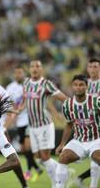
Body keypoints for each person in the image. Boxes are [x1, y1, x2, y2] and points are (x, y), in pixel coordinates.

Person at [22, 60, 68, 188]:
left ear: (42, 69)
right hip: (32, 126)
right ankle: (62, 170)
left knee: (45, 156)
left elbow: (63, 97)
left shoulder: (46, 84)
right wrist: (16, 110)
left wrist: (71, 108)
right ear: (29, 69)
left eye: (37, 66)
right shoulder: (26, 83)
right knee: (38, 158)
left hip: (44, 125)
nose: (34, 68)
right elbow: (27, 101)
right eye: (32, 66)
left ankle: (57, 183)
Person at [55, 74, 100, 188]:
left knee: (97, 157)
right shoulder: (67, 105)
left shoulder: (96, 102)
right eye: (76, 85)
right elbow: (69, 125)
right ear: (72, 87)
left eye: (81, 85)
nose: (78, 87)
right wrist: (62, 144)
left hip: (96, 139)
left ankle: (93, 185)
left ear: (86, 86)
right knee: (63, 157)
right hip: (79, 140)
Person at [6, 66, 42, 182]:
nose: (18, 75)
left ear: (24, 74)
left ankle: (29, 170)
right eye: (16, 73)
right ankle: (36, 168)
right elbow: (9, 103)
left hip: (30, 119)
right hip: (19, 120)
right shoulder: (10, 87)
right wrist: (12, 116)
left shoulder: (30, 84)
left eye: (20, 73)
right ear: (14, 74)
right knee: (23, 149)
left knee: (27, 146)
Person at [73, 58, 100, 187]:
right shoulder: (84, 84)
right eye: (91, 66)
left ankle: (82, 179)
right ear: (87, 69)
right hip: (89, 127)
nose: (93, 69)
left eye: (95, 66)